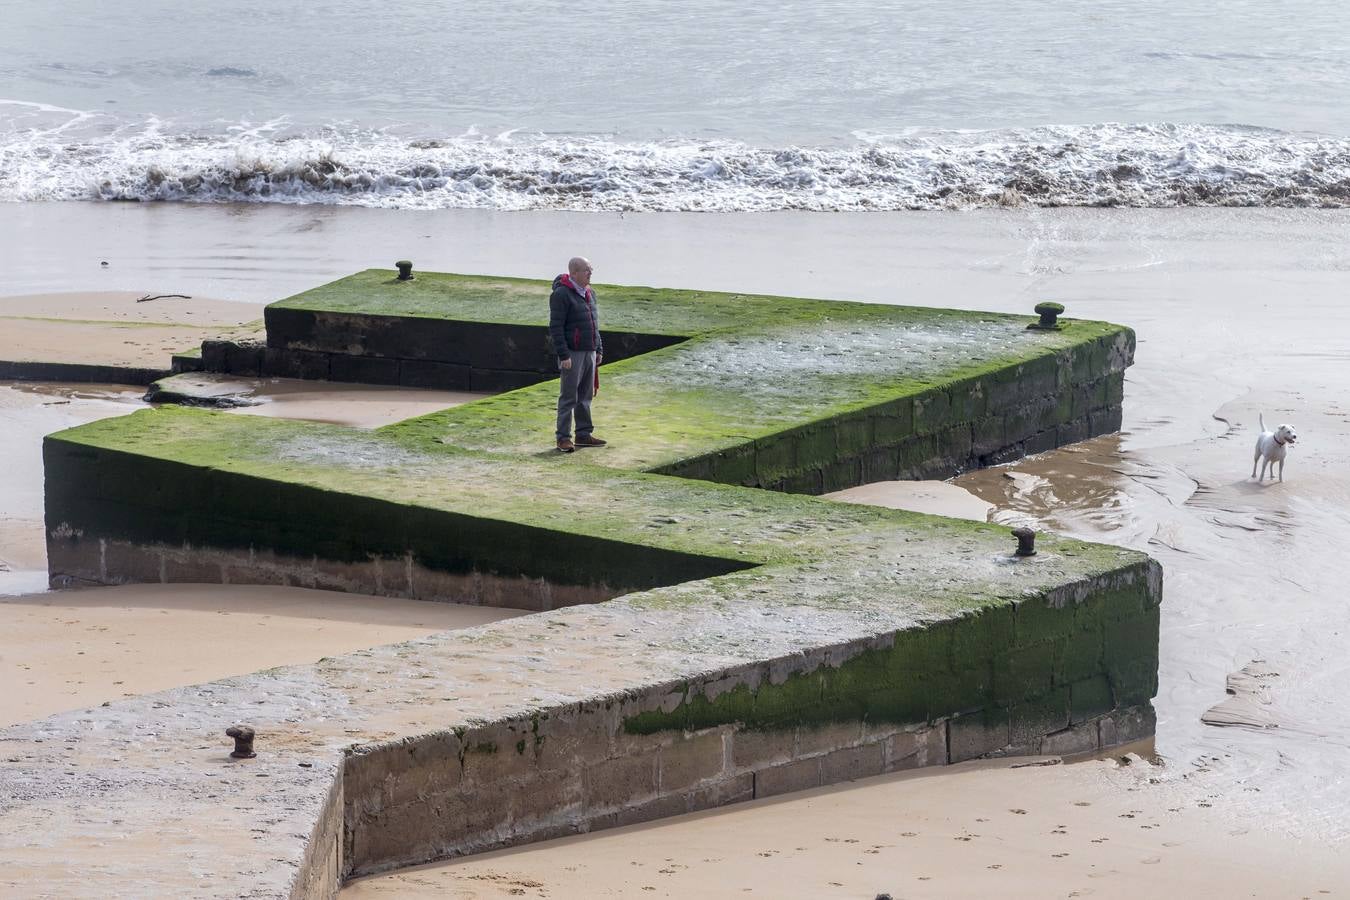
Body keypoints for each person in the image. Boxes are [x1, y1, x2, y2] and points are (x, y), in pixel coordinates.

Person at [549, 256, 606, 453]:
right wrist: (564, 355)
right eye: (586, 270)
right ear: (574, 273)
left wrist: (598, 349)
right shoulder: (561, 295)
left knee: (585, 395)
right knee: (568, 396)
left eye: (590, 270)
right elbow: (556, 328)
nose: (590, 273)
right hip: (572, 354)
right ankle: (563, 438)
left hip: (589, 351)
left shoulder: (590, 293)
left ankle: (583, 434)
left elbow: (594, 324)